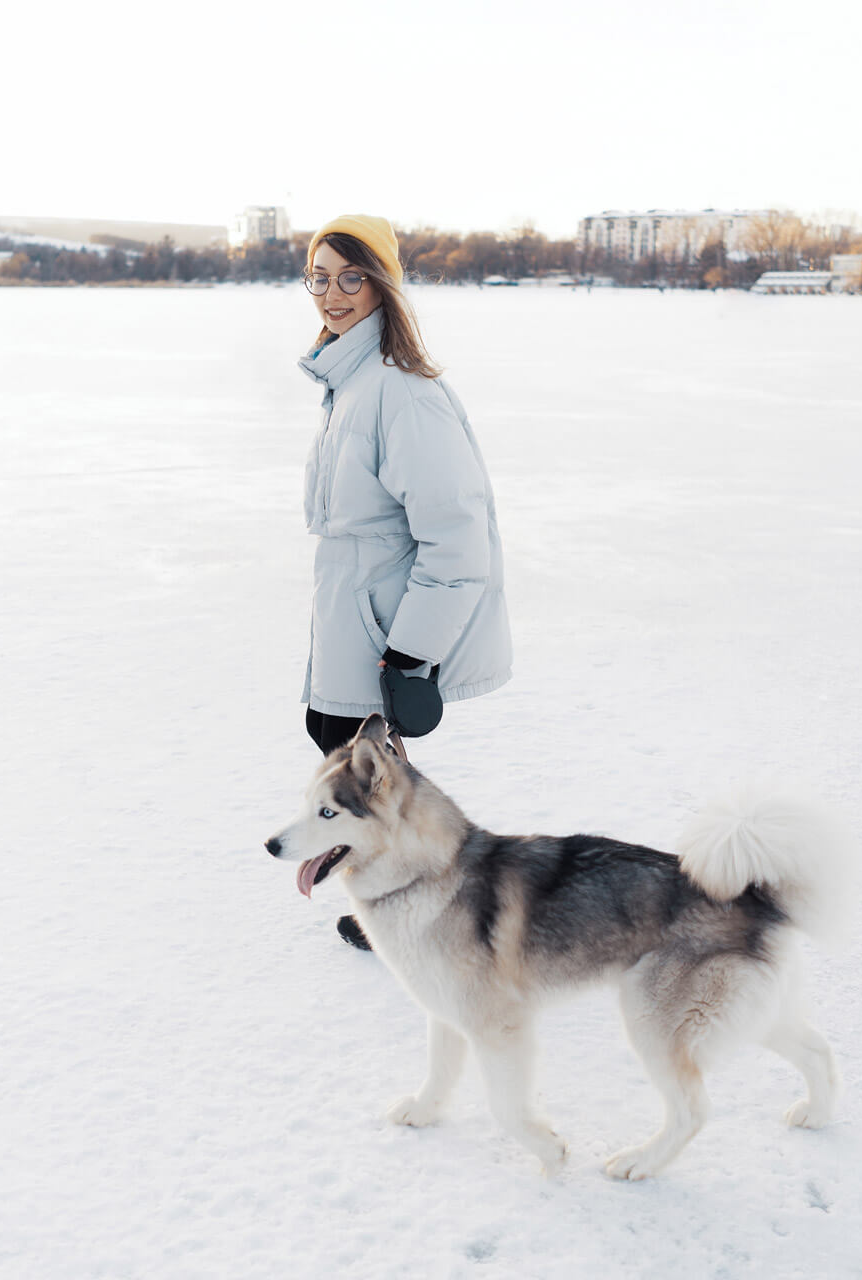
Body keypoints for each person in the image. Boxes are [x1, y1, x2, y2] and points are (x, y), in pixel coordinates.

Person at [294, 215, 512, 948]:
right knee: (353, 766)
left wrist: (411, 657)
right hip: (352, 619)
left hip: (383, 632)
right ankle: (397, 901)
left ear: (382, 284)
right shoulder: (349, 381)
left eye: (351, 277)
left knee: (368, 781)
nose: (333, 294)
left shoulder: (401, 392)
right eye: (319, 277)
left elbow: (456, 537)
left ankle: (430, 908)